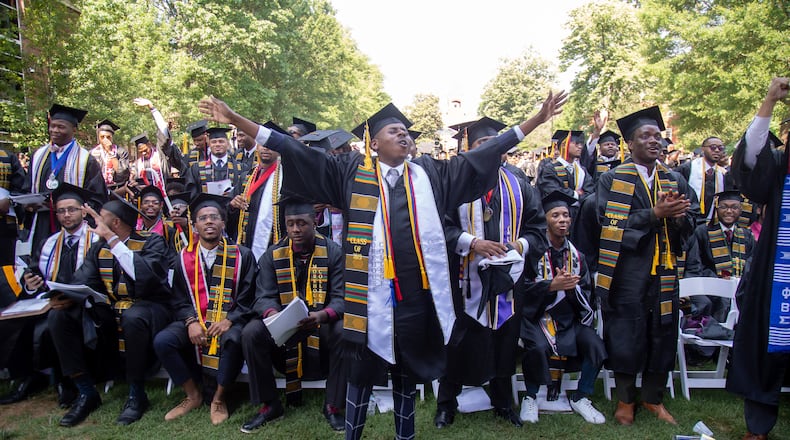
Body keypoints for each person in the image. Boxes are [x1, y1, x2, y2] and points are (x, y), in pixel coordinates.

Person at [198, 89, 567, 440]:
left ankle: (404, 433)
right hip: (367, 301)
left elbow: (482, 157)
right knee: (360, 375)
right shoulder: (348, 172)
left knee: (405, 377)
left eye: (406, 132)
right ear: (374, 142)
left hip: (415, 300)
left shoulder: (430, 175)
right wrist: (234, 118)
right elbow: (291, 148)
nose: (404, 136)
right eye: (395, 131)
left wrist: (534, 120)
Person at [585, 105, 694, 426]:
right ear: (629, 145)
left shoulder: (673, 178)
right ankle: (625, 400)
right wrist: (655, 215)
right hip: (626, 271)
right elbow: (610, 224)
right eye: (645, 136)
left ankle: (653, 398)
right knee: (626, 334)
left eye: (657, 136)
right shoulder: (613, 179)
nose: (654, 141)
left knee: (662, 332)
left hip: (665, 270)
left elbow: (692, 223)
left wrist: (679, 219)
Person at [435, 116, 547, 429]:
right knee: (457, 342)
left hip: (507, 280)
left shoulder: (520, 185)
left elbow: (538, 230)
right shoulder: (453, 185)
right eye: (482, 145)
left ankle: (502, 402)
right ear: (469, 151)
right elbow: (438, 227)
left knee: (504, 342)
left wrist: (519, 245)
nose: (490, 150)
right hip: (462, 278)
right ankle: (446, 404)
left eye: (495, 144)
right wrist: (474, 243)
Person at [48, 196, 172, 427]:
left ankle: (137, 394)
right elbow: (84, 280)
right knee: (60, 316)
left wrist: (112, 240)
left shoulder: (152, 242)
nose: (93, 223)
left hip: (150, 307)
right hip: (110, 308)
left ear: (114, 223)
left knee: (133, 316)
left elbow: (148, 279)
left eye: (99, 218)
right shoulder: (98, 248)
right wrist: (65, 296)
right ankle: (86, 392)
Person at [239, 197, 346, 433]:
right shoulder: (272, 255)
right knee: (251, 333)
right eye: (290, 224)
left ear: (314, 222)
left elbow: (341, 298)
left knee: (343, 330)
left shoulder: (333, 252)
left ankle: (333, 405)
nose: (295, 229)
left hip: (321, 325)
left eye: (302, 223)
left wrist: (322, 315)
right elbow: (263, 296)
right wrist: (275, 314)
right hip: (284, 328)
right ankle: (270, 404)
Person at [154, 193, 257, 425]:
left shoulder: (242, 255)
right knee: (163, 341)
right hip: (196, 320)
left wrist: (230, 319)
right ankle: (193, 395)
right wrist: (190, 322)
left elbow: (250, 296)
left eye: (214, 217)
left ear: (223, 222)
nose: (209, 221)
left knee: (232, 338)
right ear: (195, 226)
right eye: (203, 218)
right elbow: (178, 298)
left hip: (230, 319)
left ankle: (219, 398)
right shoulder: (183, 259)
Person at [726, 76, 790, 440]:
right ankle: (759, 428)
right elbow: (750, 157)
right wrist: (769, 101)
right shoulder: (781, 169)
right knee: (767, 341)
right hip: (779, 273)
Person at [0, 183, 99, 407]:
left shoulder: (96, 240)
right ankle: (29, 377)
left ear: (84, 211)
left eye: (72, 209)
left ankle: (65, 381)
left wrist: (66, 296)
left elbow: (92, 277)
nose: (66, 215)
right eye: (61, 211)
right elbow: (36, 272)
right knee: (17, 322)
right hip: (50, 302)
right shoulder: (49, 242)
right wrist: (31, 283)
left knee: (50, 324)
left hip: (85, 303)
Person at [518, 191, 606, 425]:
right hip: (537, 318)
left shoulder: (577, 256)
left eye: (566, 215)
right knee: (535, 346)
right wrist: (549, 287)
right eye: (555, 215)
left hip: (569, 318)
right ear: (545, 220)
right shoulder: (533, 253)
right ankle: (530, 396)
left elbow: (587, 293)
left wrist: (570, 289)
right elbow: (520, 291)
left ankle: (581, 396)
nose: (562, 220)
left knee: (596, 346)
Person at [25, 104, 107, 260]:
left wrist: (82, 216)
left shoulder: (86, 160)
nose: (54, 130)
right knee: (40, 260)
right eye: (52, 126)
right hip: (42, 222)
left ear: (73, 130)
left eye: (61, 127)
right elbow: (26, 187)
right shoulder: (38, 156)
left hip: (73, 223)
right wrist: (27, 205)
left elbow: (97, 197)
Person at [686, 190, 755, 322]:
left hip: (739, 287)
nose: (729, 211)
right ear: (717, 208)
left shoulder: (746, 235)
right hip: (710, 287)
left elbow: (752, 262)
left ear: (741, 210)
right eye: (724, 207)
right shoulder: (703, 232)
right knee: (721, 301)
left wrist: (739, 280)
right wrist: (719, 281)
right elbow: (697, 264)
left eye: (734, 207)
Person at [228, 125, 285, 261]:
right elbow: (229, 213)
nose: (266, 148)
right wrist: (232, 205)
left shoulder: (285, 179)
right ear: (257, 146)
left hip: (274, 247)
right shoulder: (246, 177)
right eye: (262, 144)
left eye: (271, 145)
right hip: (246, 246)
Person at [536, 130, 595, 211]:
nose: (580, 147)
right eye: (576, 144)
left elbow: (590, 192)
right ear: (564, 144)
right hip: (558, 216)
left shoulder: (582, 171)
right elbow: (554, 192)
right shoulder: (550, 168)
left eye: (581, 144)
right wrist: (576, 194)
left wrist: (567, 193)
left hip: (579, 216)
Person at [675, 136, 728, 222]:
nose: (717, 150)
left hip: (712, 222)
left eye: (720, 148)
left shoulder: (723, 174)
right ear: (703, 149)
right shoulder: (687, 169)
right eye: (713, 147)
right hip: (689, 221)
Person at [185, 127, 245, 200]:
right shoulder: (196, 169)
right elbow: (192, 195)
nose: (217, 144)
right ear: (209, 144)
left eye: (221, 141)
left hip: (233, 210)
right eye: (214, 142)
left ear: (227, 143)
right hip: (207, 209)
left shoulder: (240, 168)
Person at [0, 145, 27, 265]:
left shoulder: (8, 158)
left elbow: (21, 187)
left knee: (5, 272)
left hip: (4, 227)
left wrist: (10, 200)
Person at [90, 119, 131, 188]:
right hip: (98, 189)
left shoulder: (121, 152)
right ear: (99, 138)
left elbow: (122, 175)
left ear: (112, 137)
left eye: (108, 137)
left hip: (117, 189)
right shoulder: (92, 153)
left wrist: (110, 152)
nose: (105, 139)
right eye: (102, 137)